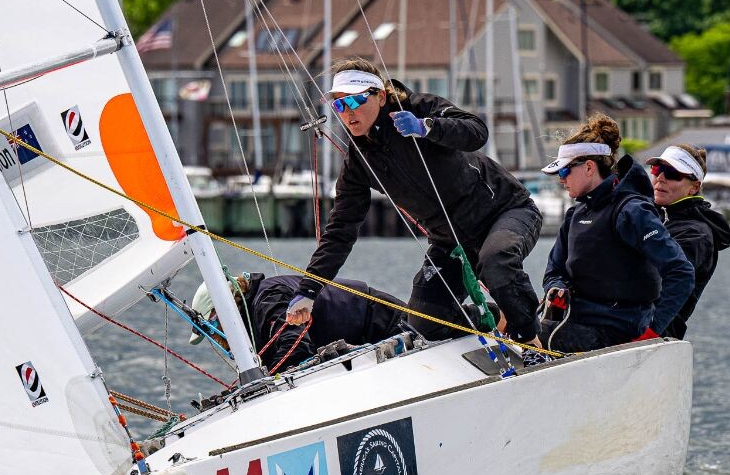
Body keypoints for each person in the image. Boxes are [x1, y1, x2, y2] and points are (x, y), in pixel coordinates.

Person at [286, 57, 543, 349]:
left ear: (380, 96)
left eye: (355, 101)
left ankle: (533, 344)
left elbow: (477, 132)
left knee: (496, 262)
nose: (348, 112)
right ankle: (496, 319)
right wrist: (309, 290)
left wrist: (427, 127)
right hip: (451, 242)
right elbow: (340, 232)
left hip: (506, 211)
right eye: (339, 105)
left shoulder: (418, 108)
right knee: (424, 325)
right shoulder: (358, 164)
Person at [539, 114, 695, 353]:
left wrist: (652, 333)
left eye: (564, 172)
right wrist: (556, 287)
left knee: (524, 332)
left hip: (617, 331)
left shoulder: (632, 211)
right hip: (575, 320)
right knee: (501, 318)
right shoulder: (574, 215)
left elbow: (681, 272)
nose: (562, 180)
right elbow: (553, 270)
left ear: (589, 167)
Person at [188, 272, 407, 371]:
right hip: (370, 335)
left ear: (225, 310)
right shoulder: (255, 318)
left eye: (212, 328)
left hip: (386, 324)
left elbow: (295, 346)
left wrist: (265, 388)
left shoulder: (268, 299)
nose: (215, 339)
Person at [647, 144, 730, 339]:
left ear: (694, 187)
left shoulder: (696, 235)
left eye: (672, 173)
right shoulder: (650, 217)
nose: (660, 178)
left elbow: (660, 284)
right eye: (657, 169)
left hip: (653, 334)